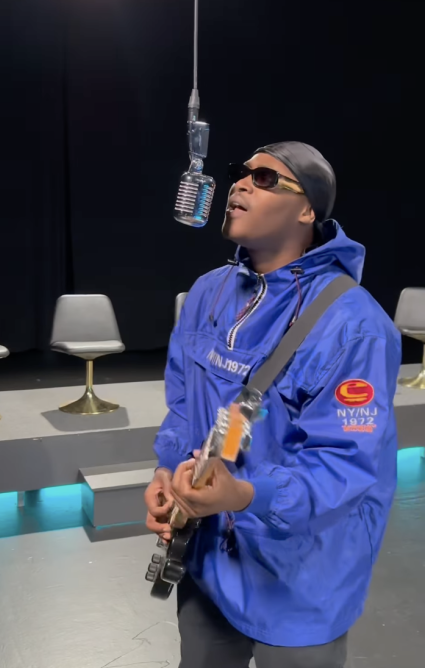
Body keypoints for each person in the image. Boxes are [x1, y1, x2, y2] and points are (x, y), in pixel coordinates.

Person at [144, 141, 401, 668]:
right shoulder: (208, 294)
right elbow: (186, 408)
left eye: (264, 179)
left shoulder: (355, 326)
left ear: (307, 210)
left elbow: (343, 466)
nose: (239, 183)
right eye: (240, 173)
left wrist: (244, 494)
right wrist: (168, 474)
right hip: (207, 565)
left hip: (301, 581)